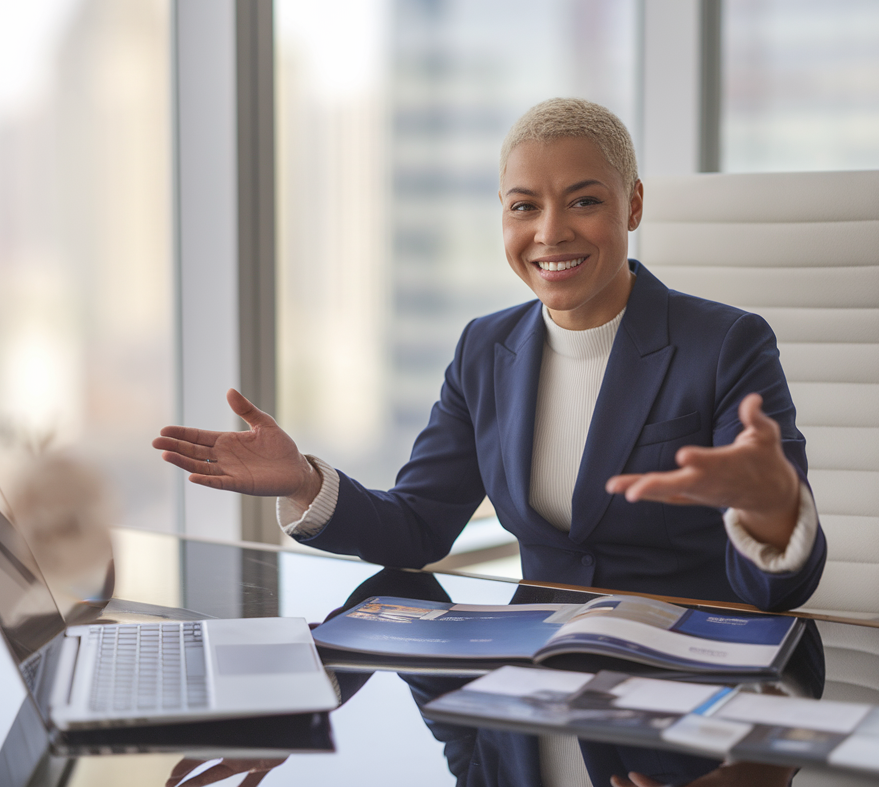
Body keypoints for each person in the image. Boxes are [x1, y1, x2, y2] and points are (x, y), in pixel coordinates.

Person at [154, 98, 826, 786]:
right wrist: (304, 483)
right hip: (527, 689)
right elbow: (418, 529)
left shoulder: (724, 346)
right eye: (523, 206)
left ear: (633, 206)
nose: (551, 232)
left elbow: (778, 593)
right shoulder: (486, 348)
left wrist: (774, 509)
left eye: (584, 201)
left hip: (686, 704)